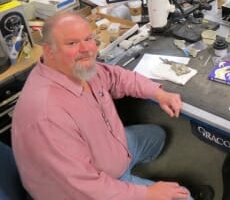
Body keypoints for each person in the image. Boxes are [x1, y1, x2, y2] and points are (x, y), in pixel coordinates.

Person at [12, 13, 194, 200]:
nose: (86, 49)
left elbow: (116, 77)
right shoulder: (47, 116)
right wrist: (146, 193)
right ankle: (128, 181)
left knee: (157, 136)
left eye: (89, 39)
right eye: (72, 43)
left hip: (107, 150)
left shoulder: (76, 68)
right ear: (49, 51)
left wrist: (159, 93)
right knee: (183, 197)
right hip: (86, 189)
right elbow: (82, 186)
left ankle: (127, 169)